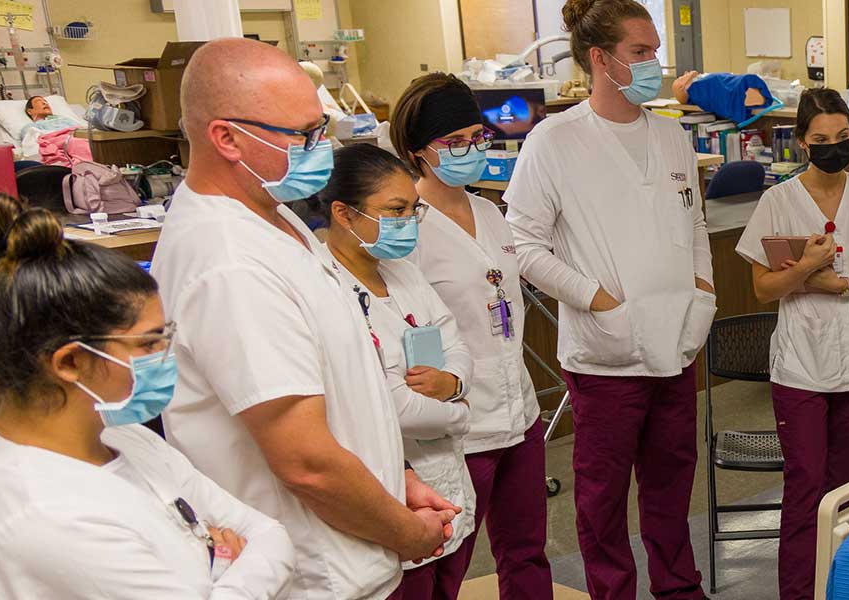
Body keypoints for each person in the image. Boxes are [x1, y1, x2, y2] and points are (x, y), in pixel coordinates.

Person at [151, 38, 457, 599]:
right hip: (314, 575)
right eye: (303, 136)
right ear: (226, 138)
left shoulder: (275, 216)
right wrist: (404, 531)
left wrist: (396, 479)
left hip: (352, 548)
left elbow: (339, 388)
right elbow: (305, 462)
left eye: (322, 129)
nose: (320, 148)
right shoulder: (227, 261)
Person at [0, 193, 295, 598]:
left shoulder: (119, 435)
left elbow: (271, 536)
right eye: (148, 344)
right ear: (70, 362)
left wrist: (216, 574)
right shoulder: (46, 516)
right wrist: (222, 558)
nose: (164, 356)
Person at [505, 1, 715, 597]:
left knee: (673, 486)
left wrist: (702, 293)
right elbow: (522, 243)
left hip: (677, 343)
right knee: (601, 500)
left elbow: (693, 224)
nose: (654, 64)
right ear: (600, 58)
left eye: (655, 51)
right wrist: (598, 301)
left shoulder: (672, 134)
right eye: (640, 52)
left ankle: (678, 588)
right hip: (606, 360)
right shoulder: (555, 141)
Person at [733, 87, 849, 600]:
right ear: (803, 143)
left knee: (843, 488)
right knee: (806, 489)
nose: (835, 147)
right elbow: (764, 288)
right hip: (803, 370)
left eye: (844, 137)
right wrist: (806, 267)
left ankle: (836, 587)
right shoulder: (778, 202)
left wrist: (842, 284)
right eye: (823, 139)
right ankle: (797, 593)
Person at [391, 72, 556, 600]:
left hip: (519, 413)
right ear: (419, 151)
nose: (471, 150)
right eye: (454, 142)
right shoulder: (406, 227)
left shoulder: (490, 211)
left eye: (476, 137)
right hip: (457, 428)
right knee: (448, 562)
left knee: (528, 550)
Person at [315, 144, 479, 600]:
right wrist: (463, 412)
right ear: (344, 214)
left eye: (413, 209)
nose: (407, 221)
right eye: (395, 210)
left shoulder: (402, 271)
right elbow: (391, 405)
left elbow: (455, 340)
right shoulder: (323, 286)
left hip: (446, 473)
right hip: (391, 483)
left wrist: (455, 382)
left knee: (450, 583)